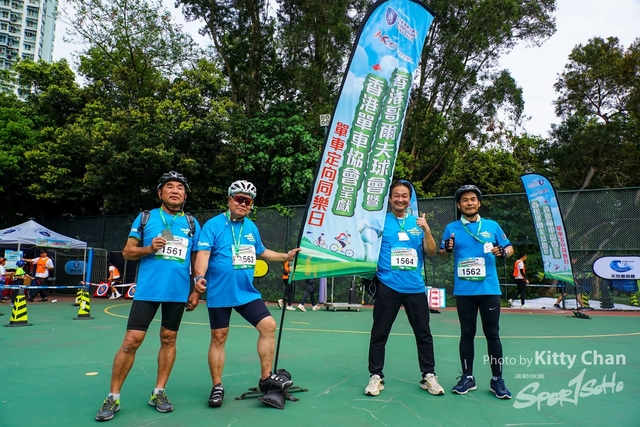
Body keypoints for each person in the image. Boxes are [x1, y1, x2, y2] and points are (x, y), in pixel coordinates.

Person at [95, 171, 201, 422]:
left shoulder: (192, 223)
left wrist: (196, 289)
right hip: (148, 291)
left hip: (177, 293)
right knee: (132, 340)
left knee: (169, 339)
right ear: (160, 193)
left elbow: (197, 258)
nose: (175, 191)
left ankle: (159, 392)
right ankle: (113, 396)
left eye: (180, 188)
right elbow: (127, 252)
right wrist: (149, 248)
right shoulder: (146, 217)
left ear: (185, 195)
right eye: (169, 186)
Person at [192, 180, 301, 409]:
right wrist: (199, 277)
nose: (243, 204)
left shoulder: (251, 227)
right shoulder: (213, 225)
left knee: (268, 326)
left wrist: (285, 256)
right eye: (239, 199)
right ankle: (217, 386)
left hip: (246, 293)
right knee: (219, 337)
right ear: (229, 200)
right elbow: (203, 254)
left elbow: (261, 251)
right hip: (220, 292)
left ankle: (266, 379)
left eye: (248, 201)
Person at [364, 180, 444, 397]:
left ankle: (429, 376)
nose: (400, 199)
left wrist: (427, 230)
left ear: (410, 200)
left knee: (423, 333)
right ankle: (376, 376)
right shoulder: (380, 222)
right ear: (390, 199)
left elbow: (431, 252)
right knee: (379, 333)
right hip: (388, 286)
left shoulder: (418, 223)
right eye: (396, 195)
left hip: (415, 288)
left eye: (404, 196)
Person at [439, 184, 513, 399]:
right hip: (464, 291)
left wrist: (504, 252)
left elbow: (509, 247)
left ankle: (497, 379)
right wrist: (447, 249)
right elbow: (443, 254)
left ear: (479, 203)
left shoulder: (492, 226)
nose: (469, 203)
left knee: (493, 334)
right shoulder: (452, 228)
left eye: (473, 199)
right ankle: (467, 377)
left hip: (489, 289)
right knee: (467, 334)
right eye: (464, 200)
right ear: (459, 205)